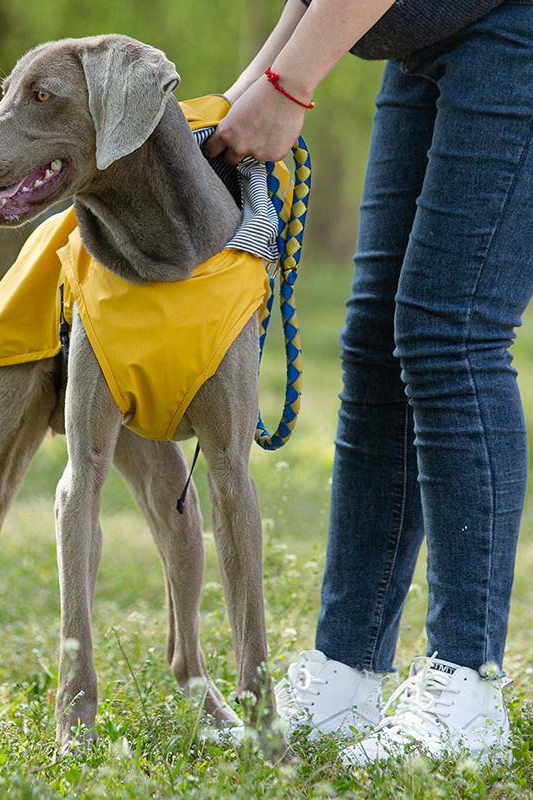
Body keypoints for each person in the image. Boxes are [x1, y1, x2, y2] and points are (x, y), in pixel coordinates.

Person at [205, 0, 533, 764]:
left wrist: (289, 88)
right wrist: (245, 95)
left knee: (450, 332)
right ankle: (346, 673)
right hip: (425, 37)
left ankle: (468, 690)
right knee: (379, 339)